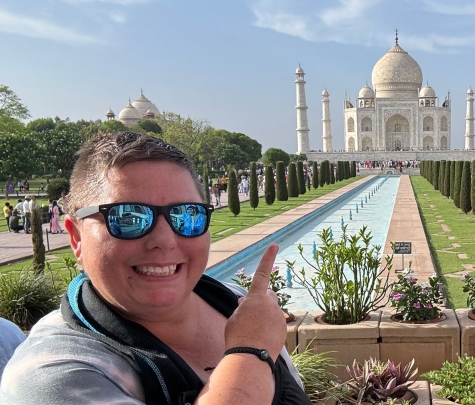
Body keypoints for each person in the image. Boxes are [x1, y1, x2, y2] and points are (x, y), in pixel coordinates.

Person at [0, 132, 310, 404]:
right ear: (76, 236)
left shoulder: (235, 302)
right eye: (128, 217)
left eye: (186, 215)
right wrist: (250, 352)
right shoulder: (51, 375)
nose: (164, 240)